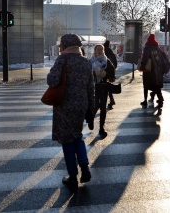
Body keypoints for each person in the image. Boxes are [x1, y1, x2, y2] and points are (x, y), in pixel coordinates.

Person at [47, 33, 94, 190]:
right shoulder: (86, 63)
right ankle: (85, 168)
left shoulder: (62, 60)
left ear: (65, 45)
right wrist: (91, 109)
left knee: (67, 139)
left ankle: (73, 176)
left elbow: (52, 81)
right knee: (77, 135)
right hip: (81, 105)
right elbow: (90, 88)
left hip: (64, 105)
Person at [90, 44, 115, 138]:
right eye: (98, 49)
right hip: (94, 86)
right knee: (95, 105)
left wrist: (106, 74)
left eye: (101, 49)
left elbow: (112, 72)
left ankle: (101, 127)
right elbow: (87, 73)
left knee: (103, 108)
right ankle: (91, 120)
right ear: (95, 51)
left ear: (103, 50)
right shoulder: (91, 60)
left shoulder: (107, 61)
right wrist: (94, 73)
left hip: (104, 86)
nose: (99, 51)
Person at [140, 34, 164, 109]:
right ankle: (160, 100)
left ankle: (145, 100)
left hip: (148, 70)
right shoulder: (157, 48)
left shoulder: (147, 47)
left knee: (146, 85)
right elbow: (159, 59)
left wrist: (142, 65)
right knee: (156, 85)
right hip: (156, 70)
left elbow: (145, 58)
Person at [104, 40, 118, 109]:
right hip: (110, 72)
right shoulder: (111, 52)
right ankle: (111, 100)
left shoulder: (103, 52)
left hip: (104, 72)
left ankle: (108, 101)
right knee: (108, 87)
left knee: (105, 87)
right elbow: (115, 63)